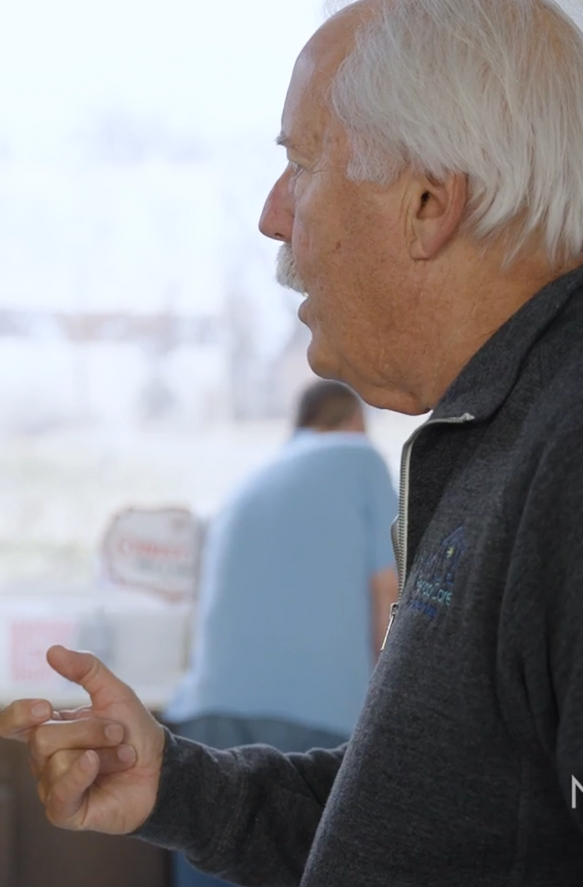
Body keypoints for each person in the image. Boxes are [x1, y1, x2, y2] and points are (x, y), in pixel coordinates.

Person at [0, 0, 583, 884]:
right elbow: (428, 824)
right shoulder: (531, 421)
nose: (271, 215)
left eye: (300, 164)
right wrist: (177, 784)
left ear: (428, 202)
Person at [167, 380, 396, 887]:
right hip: (316, 717)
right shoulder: (360, 459)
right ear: (354, 421)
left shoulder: (244, 486)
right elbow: (390, 595)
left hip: (208, 714)